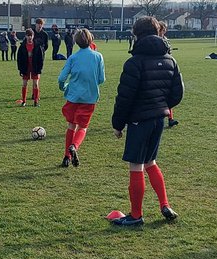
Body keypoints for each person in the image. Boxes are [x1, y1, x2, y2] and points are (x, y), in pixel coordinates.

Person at [110, 16, 184, 227]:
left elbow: (124, 97)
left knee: (136, 166)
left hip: (139, 121)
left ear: (136, 34)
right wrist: (163, 106)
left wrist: (118, 124)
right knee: (151, 162)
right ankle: (165, 204)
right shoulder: (170, 60)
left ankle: (135, 215)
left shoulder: (134, 62)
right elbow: (178, 93)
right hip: (159, 119)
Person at [56, 29, 105, 167]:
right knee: (83, 127)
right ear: (91, 40)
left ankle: (66, 157)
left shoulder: (73, 57)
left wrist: (63, 86)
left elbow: (61, 78)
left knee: (71, 125)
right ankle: (74, 146)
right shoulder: (98, 57)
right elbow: (101, 79)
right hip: (89, 98)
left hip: (73, 97)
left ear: (76, 42)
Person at [16, 28, 45, 106]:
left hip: (35, 67)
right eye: (28, 35)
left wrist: (40, 69)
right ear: (25, 36)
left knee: (35, 84)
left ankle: (36, 101)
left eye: (31, 35)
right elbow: (19, 59)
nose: (30, 37)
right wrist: (20, 69)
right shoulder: (22, 46)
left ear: (33, 36)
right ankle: (24, 101)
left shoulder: (37, 46)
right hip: (26, 67)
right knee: (24, 84)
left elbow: (41, 59)